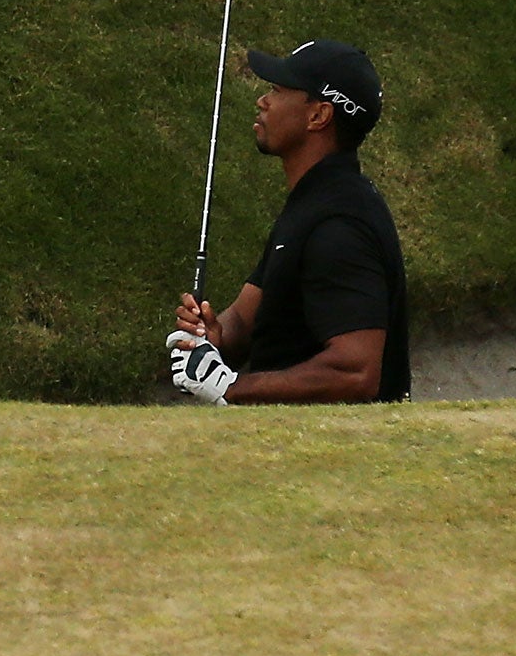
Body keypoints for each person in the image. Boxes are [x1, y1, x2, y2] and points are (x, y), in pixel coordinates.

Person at [168, 39, 410, 405]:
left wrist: (230, 388)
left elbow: (357, 372)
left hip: (338, 453)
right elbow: (245, 322)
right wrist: (213, 337)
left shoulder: (340, 226)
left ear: (318, 116)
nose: (262, 101)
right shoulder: (312, 202)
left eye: (278, 90)